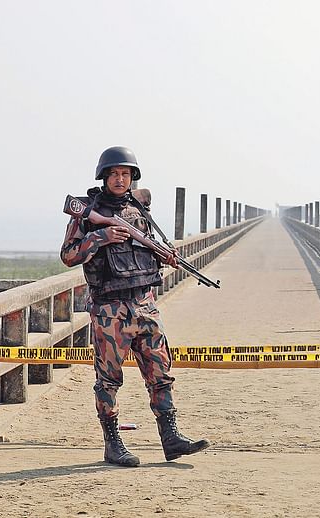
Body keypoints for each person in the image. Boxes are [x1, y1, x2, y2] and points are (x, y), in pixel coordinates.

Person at [60, 146, 209, 467]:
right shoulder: (87, 212)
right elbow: (68, 256)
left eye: (125, 174)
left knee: (160, 372)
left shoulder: (139, 210)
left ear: (132, 177)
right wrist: (100, 238)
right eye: (114, 174)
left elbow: (145, 248)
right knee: (109, 379)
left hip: (145, 304)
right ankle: (113, 444)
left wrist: (165, 256)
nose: (119, 179)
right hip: (109, 308)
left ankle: (171, 438)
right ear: (103, 177)